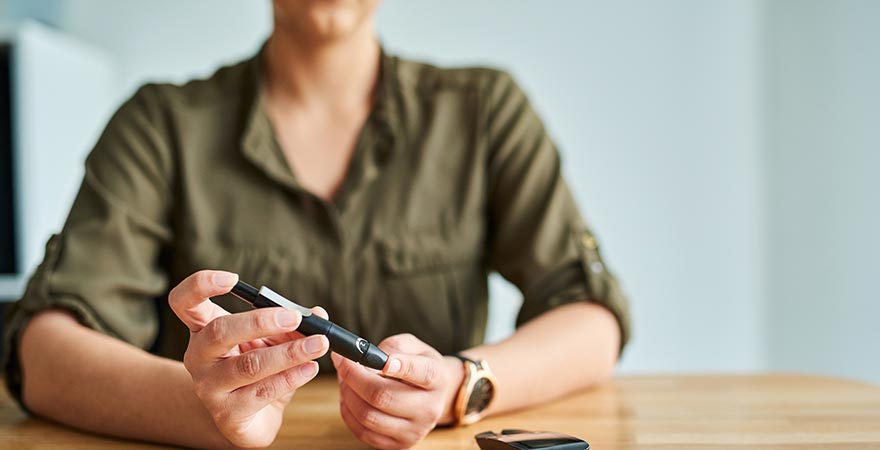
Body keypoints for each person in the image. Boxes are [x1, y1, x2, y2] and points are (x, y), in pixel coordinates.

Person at [3, 1, 630, 449]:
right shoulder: (159, 125)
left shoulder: (486, 112)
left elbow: (592, 318)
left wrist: (461, 385)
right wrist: (209, 411)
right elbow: (41, 351)